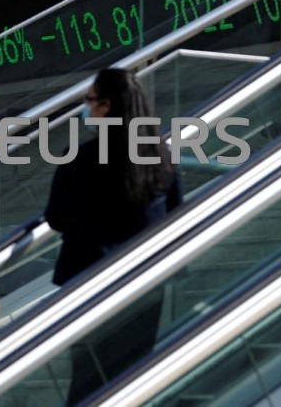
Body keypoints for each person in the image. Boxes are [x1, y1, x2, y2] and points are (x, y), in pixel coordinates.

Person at [44, 67, 183, 404]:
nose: (86, 107)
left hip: (87, 283)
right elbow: (176, 216)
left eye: (90, 100)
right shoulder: (162, 159)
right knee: (132, 377)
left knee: (87, 381)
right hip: (143, 286)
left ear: (107, 106)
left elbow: (56, 218)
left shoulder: (79, 159)